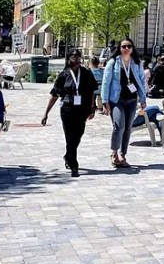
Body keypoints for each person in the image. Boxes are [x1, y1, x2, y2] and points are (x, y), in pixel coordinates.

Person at [42, 49, 99, 177]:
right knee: (70, 136)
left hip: (82, 109)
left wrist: (92, 107)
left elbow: (91, 92)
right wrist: (46, 113)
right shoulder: (64, 74)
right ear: (68, 59)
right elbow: (55, 94)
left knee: (78, 134)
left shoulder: (86, 73)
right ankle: (74, 164)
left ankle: (68, 155)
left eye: (78, 57)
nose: (76, 59)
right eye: (73, 57)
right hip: (67, 108)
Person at [101, 38, 148, 168]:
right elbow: (106, 82)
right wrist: (105, 101)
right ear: (119, 48)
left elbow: (141, 81)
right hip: (116, 100)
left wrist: (143, 100)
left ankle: (123, 154)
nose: (126, 49)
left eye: (129, 46)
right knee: (118, 126)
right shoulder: (113, 63)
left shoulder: (137, 63)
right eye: (124, 46)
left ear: (132, 49)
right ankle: (114, 153)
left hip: (132, 100)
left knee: (127, 128)